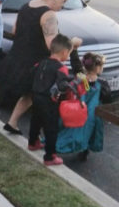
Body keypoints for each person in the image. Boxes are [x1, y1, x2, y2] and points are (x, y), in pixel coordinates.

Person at [0, 0, 74, 135]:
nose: (63, 5)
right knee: (41, 99)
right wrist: (73, 43)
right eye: (63, 0)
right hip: (37, 65)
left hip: (18, 58)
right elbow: (53, 46)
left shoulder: (27, 5)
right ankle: (40, 136)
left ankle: (12, 122)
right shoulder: (48, 15)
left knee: (30, 96)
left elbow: (15, 30)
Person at [28, 34, 80, 166]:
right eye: (69, 53)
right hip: (49, 101)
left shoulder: (40, 63)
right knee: (51, 128)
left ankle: (32, 142)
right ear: (64, 52)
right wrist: (70, 87)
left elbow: (32, 73)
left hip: (35, 96)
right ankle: (50, 156)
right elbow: (62, 86)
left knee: (36, 120)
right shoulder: (61, 68)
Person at [57, 51, 109, 162]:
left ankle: (60, 145)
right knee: (89, 132)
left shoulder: (80, 77)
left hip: (77, 110)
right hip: (92, 114)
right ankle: (84, 150)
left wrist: (74, 50)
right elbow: (107, 97)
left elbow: (75, 64)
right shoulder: (102, 84)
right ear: (98, 68)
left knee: (70, 130)